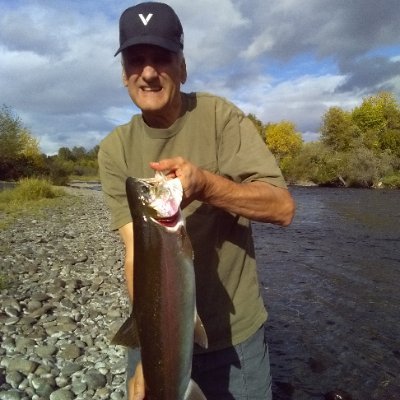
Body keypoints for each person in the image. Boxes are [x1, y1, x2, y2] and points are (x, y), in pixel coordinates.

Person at [98, 2, 295, 399]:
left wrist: (205, 184)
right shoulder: (114, 149)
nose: (149, 72)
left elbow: (282, 208)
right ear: (124, 75)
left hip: (235, 337)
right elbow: (137, 253)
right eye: (137, 60)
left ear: (182, 67)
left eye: (162, 59)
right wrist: (144, 353)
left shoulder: (221, 117)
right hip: (159, 339)